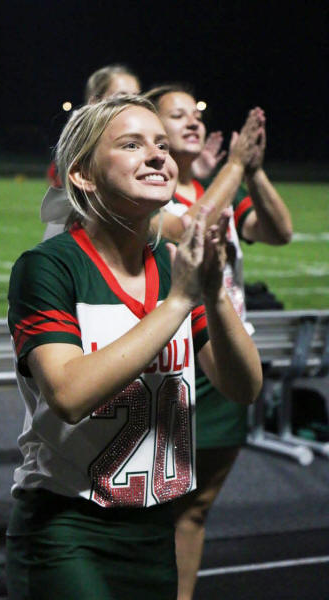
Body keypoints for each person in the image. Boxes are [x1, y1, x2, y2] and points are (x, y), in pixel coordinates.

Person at [6, 95, 262, 600]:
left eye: (161, 145)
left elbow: (243, 387)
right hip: (67, 528)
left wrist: (212, 292)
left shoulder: (172, 265)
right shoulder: (49, 267)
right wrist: (180, 300)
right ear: (82, 174)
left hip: (153, 531)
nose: (157, 156)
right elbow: (70, 394)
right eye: (131, 144)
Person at [145, 84, 293, 600]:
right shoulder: (151, 194)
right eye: (176, 115)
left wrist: (252, 171)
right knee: (153, 506)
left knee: (196, 507)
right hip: (176, 363)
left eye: (196, 114)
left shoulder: (220, 186)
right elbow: (192, 225)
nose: (192, 121)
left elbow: (279, 231)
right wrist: (232, 166)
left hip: (225, 357)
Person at [41, 64, 141, 241]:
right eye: (122, 96)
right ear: (95, 101)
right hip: (74, 225)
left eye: (137, 96)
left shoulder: (138, 133)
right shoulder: (82, 133)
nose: (132, 103)